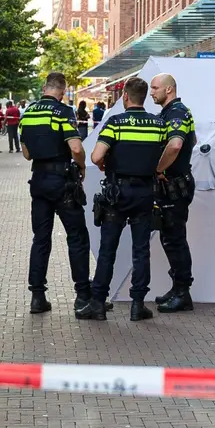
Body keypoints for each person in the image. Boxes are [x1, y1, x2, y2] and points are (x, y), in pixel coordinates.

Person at [76, 77, 164, 322]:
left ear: (125, 96)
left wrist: (106, 162)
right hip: (146, 193)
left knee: (108, 249)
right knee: (141, 249)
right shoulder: (158, 124)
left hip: (117, 193)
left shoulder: (115, 122)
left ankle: (97, 304)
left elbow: (95, 156)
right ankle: (137, 305)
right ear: (144, 96)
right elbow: (168, 151)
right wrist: (156, 169)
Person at [18, 72, 91, 314]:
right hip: (62, 182)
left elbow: (26, 153)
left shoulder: (27, 113)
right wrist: (80, 165)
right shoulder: (63, 112)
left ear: (44, 87)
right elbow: (76, 147)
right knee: (77, 237)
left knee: (40, 239)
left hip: (38, 180)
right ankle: (82, 296)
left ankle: (38, 297)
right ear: (62, 91)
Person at [149, 73, 196, 313]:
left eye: (155, 88)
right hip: (172, 184)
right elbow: (193, 140)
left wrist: (159, 168)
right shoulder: (170, 113)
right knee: (169, 238)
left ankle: (182, 293)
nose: (151, 92)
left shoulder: (176, 112)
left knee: (175, 239)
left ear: (169, 89)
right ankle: (176, 287)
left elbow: (176, 144)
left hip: (175, 185)